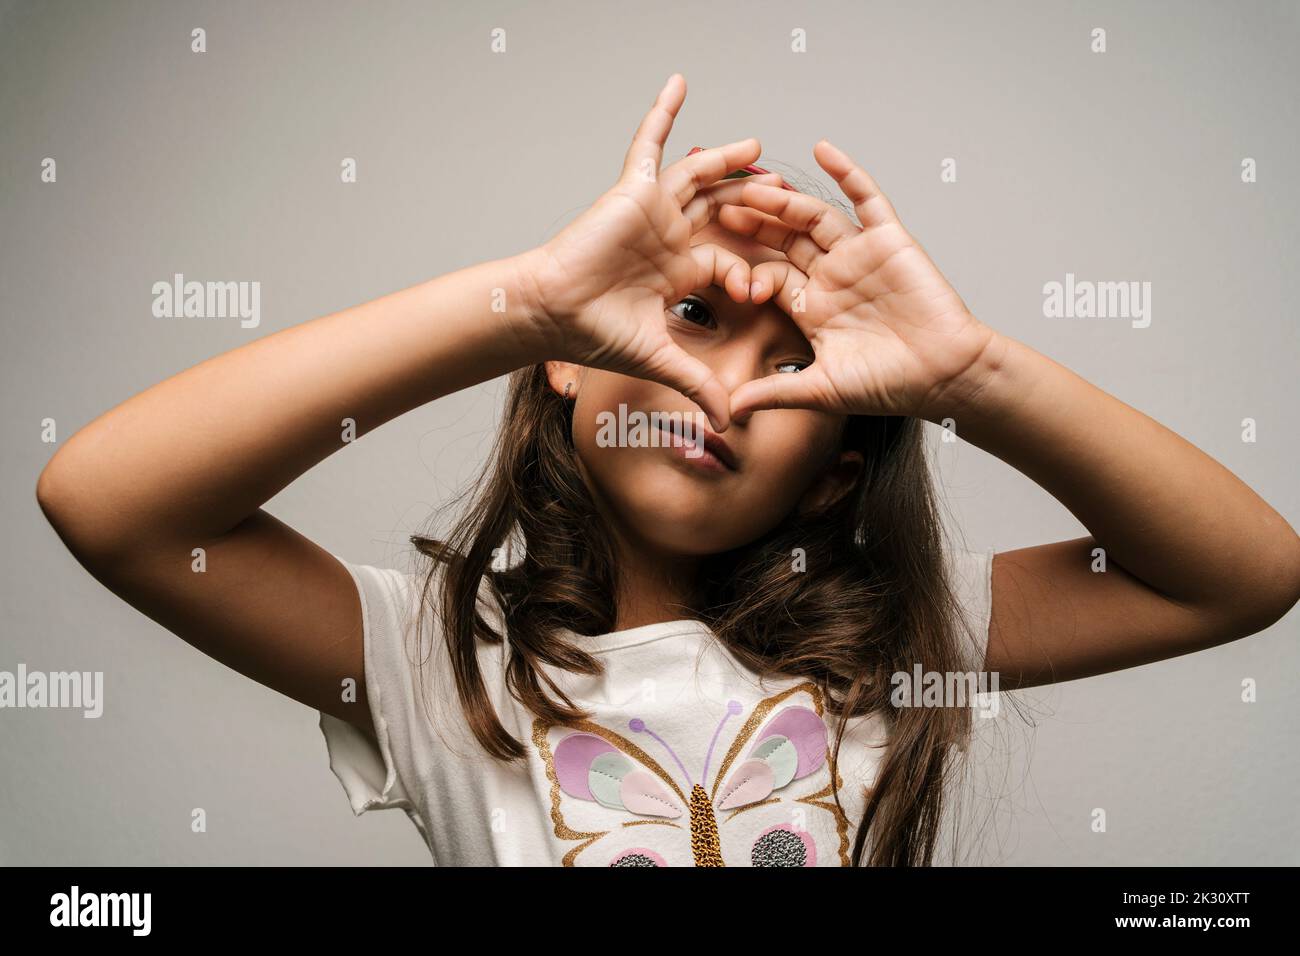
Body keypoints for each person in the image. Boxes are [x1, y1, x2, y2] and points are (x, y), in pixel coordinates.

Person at [36, 74, 1300, 866]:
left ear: (830, 478)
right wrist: (522, 301)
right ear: (570, 368)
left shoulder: (902, 632)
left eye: (794, 361)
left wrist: (966, 375)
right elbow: (110, 499)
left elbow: (1239, 575)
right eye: (693, 318)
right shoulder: (433, 662)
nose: (724, 384)